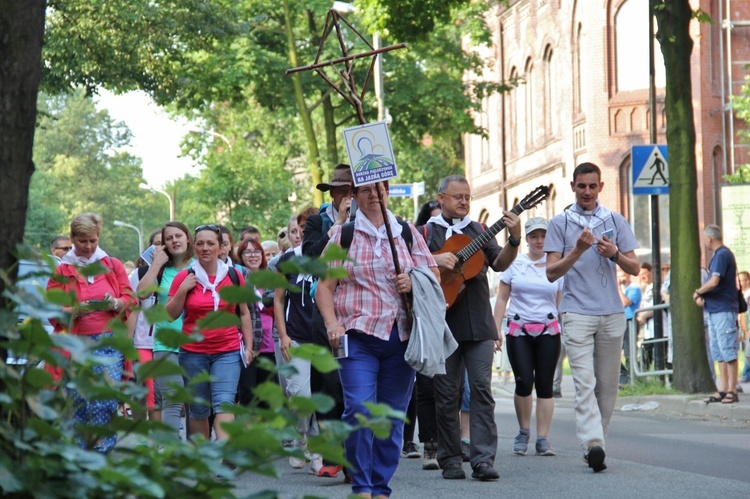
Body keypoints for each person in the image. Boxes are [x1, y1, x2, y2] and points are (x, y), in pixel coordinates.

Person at [316, 180, 438, 498]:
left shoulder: (407, 233)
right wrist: (332, 324)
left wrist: (412, 282)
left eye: (379, 189)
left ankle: (380, 486)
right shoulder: (344, 237)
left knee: (392, 418)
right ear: (354, 196)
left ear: (387, 191)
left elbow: (434, 276)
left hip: (401, 337)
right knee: (358, 409)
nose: (374, 195)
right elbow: (324, 288)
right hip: (357, 337)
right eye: (366, 190)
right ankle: (362, 485)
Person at [422, 175, 521, 481]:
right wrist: (437, 260)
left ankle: (482, 459)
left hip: (479, 321)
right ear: (441, 199)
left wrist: (514, 239)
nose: (464, 202)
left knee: (481, 389)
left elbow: (500, 263)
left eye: (467, 197)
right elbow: (413, 267)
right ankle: (450, 458)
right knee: (447, 393)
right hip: (443, 323)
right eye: (457, 197)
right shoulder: (426, 232)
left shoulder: (478, 230)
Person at [545, 162, 640, 473]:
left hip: (612, 312)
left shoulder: (614, 219)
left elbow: (635, 268)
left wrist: (614, 253)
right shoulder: (560, 223)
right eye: (581, 186)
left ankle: (597, 443)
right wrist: (577, 251)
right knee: (584, 382)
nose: (587, 191)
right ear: (572, 186)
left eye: (592, 186)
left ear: (600, 187)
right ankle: (592, 443)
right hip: (576, 312)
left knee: (608, 386)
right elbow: (551, 272)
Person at [46, 212, 137, 453]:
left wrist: (114, 303)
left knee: (105, 399)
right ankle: (78, 454)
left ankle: (101, 452)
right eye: (82, 241)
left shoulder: (112, 264)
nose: (88, 246)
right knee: (79, 400)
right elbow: (52, 310)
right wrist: (76, 310)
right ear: (72, 238)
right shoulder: (63, 270)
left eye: (93, 241)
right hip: (75, 344)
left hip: (108, 341)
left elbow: (129, 298)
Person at [166, 224, 257, 441]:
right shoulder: (185, 277)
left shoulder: (234, 275)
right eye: (200, 244)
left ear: (221, 247)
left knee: (224, 403)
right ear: (194, 247)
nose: (205, 248)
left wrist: (249, 347)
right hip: (192, 353)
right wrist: (182, 290)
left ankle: (225, 455)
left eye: (210, 243)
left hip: (227, 351)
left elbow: (244, 313)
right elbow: (170, 314)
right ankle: (204, 459)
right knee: (198, 409)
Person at [301, 163, 354, 479]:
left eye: (351, 190)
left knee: (355, 382)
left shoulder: (374, 220)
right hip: (324, 311)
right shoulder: (317, 221)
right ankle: (333, 455)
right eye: (341, 191)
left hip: (359, 310)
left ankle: (356, 452)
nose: (347, 196)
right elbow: (310, 258)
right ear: (332, 194)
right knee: (328, 382)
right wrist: (340, 224)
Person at [494, 217, 563, 457]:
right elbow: (502, 298)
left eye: (544, 236)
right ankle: (523, 431)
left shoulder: (556, 265)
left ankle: (543, 438)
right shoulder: (515, 263)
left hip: (548, 329)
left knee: (545, 385)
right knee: (523, 381)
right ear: (526, 238)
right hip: (519, 329)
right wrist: (495, 331)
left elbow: (559, 301)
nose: (539, 241)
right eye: (534, 236)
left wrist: (561, 325)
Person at [275, 209, 322, 473]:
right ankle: (300, 435)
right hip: (297, 338)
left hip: (324, 340)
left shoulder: (327, 255)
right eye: (298, 228)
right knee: (301, 394)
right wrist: (283, 336)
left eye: (308, 227)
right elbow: (279, 300)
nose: (303, 233)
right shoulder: (287, 259)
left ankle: (315, 450)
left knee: (320, 396)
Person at [137, 221, 193, 438]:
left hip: (196, 344)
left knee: (197, 402)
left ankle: (194, 450)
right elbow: (141, 294)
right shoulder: (160, 271)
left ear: (187, 238)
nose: (174, 241)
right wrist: (155, 265)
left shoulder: (199, 266)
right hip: (165, 343)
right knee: (172, 399)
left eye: (178, 236)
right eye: (169, 238)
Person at [695, 225, 740, 404]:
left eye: (704, 238)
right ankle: (722, 389)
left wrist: (698, 292)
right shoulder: (717, 256)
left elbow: (714, 281)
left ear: (710, 239)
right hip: (715, 309)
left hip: (723, 310)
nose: (704, 241)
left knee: (728, 350)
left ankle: (732, 389)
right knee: (719, 352)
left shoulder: (722, 254)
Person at [126, 229, 164, 422]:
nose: (160, 248)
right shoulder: (139, 274)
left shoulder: (181, 272)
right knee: (148, 391)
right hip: (143, 342)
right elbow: (133, 309)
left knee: (153, 392)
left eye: (163, 243)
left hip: (168, 343)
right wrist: (127, 344)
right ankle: (147, 437)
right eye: (156, 243)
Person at [236, 238, 274, 406]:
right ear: (240, 256)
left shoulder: (271, 278)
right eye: (247, 252)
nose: (253, 255)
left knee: (268, 397)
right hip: (248, 345)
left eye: (257, 251)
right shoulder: (237, 279)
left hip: (271, 344)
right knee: (248, 393)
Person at [618, 269, 642, 385]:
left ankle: (633, 380)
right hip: (619, 321)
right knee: (614, 352)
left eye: (622, 276)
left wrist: (618, 288)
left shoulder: (634, 288)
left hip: (630, 321)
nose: (621, 279)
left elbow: (625, 302)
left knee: (629, 352)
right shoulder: (621, 289)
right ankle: (624, 378)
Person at [636, 263, 656, 371]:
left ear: (651, 272)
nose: (642, 276)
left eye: (644, 273)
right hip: (648, 331)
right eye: (640, 274)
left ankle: (664, 381)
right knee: (645, 357)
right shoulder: (645, 288)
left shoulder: (657, 287)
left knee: (661, 357)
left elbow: (656, 307)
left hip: (658, 329)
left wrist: (643, 316)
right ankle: (642, 379)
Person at [738, 271, 750, 383]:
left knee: (748, 352)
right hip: (745, 328)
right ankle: (746, 373)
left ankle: (746, 373)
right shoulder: (742, 295)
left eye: (741, 280)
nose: (740, 283)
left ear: (747, 281)